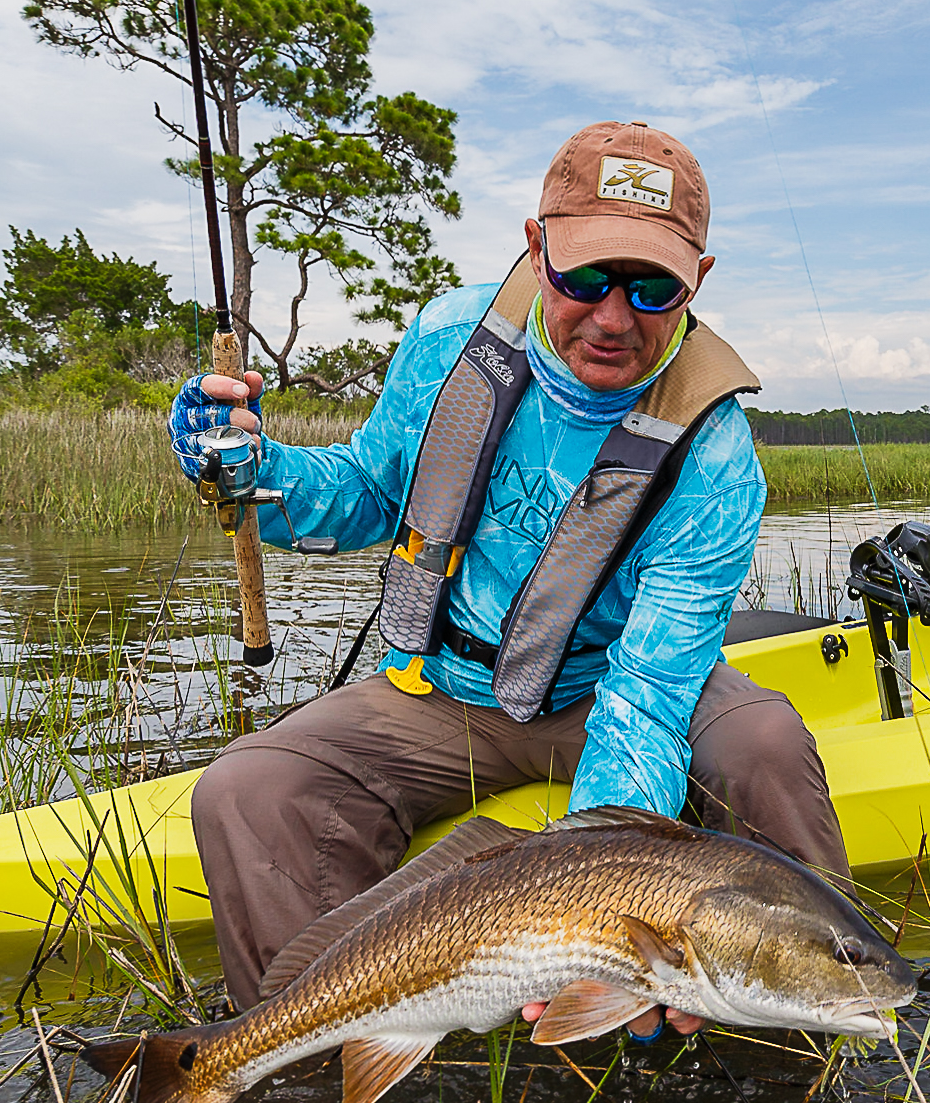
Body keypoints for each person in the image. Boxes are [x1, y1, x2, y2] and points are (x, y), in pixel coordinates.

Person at [171, 121, 847, 1038]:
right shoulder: (449, 341)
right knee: (248, 790)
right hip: (442, 685)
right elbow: (369, 492)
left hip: (605, 685)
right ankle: (310, 1070)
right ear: (536, 246)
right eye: (585, 278)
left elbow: (648, 697)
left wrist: (610, 929)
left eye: (653, 288)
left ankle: (790, 1051)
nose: (614, 317)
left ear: (699, 280)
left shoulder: (716, 457)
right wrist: (255, 469)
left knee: (761, 745)